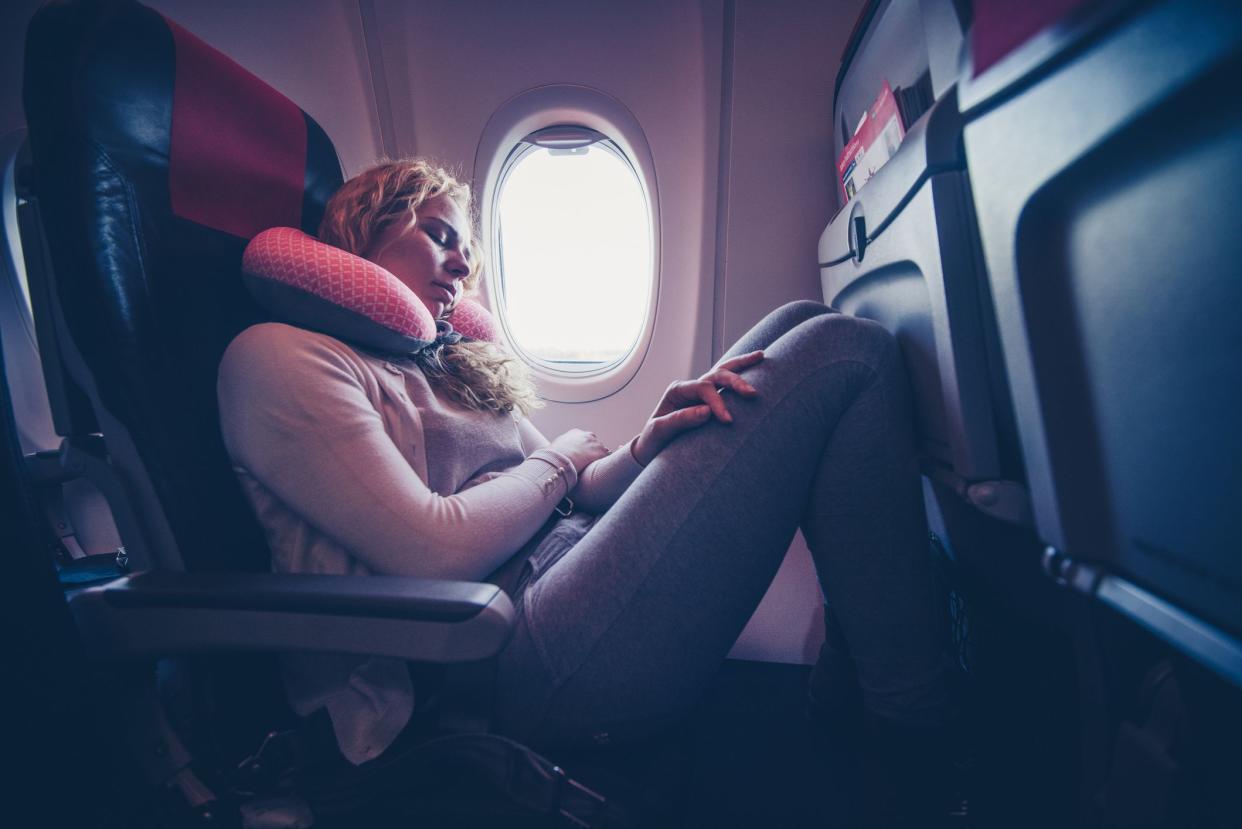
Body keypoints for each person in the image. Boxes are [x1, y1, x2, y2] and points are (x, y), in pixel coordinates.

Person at [217, 159, 953, 823]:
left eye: (467, 254)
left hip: (570, 566)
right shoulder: (283, 356)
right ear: (364, 227)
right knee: (845, 356)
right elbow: (434, 550)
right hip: (503, 646)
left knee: (801, 324)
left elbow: (584, 487)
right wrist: (561, 466)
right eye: (440, 235)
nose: (460, 264)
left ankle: (850, 685)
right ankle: (913, 728)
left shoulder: (440, 363)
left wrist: (650, 437)